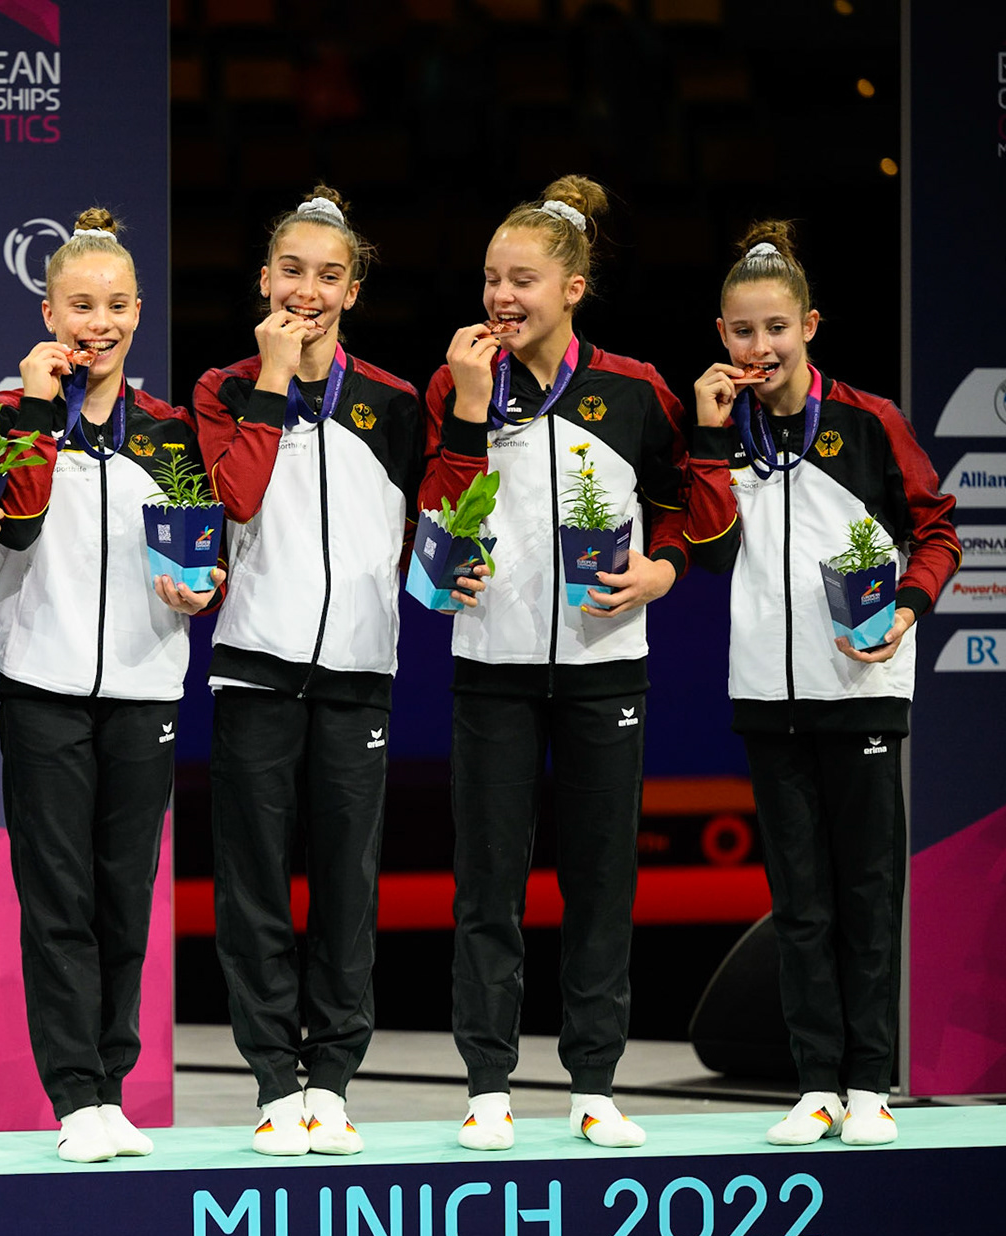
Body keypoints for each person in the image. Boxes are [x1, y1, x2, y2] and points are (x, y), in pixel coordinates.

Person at [421, 176, 693, 1151]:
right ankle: (487, 1086)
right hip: (489, 664)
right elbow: (434, 509)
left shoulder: (636, 389)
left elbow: (686, 501)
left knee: (600, 882)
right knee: (487, 884)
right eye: (492, 278)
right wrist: (470, 409)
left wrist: (662, 569)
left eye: (523, 280)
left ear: (573, 288)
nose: (502, 296)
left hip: (603, 668)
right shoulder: (456, 382)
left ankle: (594, 1086)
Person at [683, 220, 960, 1147]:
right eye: (742, 331)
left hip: (864, 685)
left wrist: (908, 609)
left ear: (809, 326)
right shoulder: (723, 429)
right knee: (799, 901)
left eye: (776, 329)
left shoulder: (869, 422)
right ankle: (815, 1087)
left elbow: (938, 530)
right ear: (721, 335)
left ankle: (870, 1083)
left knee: (867, 896)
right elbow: (710, 552)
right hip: (768, 693)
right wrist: (708, 440)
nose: (759, 347)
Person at [0, 208, 221, 1163]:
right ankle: (74, 1094)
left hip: (145, 687)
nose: (99, 323)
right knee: (59, 898)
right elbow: (13, 530)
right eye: (81, 305)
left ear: (138, 312)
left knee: (125, 896)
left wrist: (204, 586)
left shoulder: (170, 432)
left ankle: (112, 1087)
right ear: (49, 312)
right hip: (41, 685)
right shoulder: (5, 418)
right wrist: (39, 415)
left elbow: (207, 554)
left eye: (116, 305)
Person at [195, 186, 423, 1156]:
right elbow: (239, 498)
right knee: (252, 888)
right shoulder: (222, 389)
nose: (309, 291)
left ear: (354, 290)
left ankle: (330, 1081)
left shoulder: (396, 403)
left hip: (358, 675)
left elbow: (422, 528)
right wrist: (274, 380)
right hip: (255, 667)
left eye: (330, 276)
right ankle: (271, 1082)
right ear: (264, 279)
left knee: (345, 889)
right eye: (292, 270)